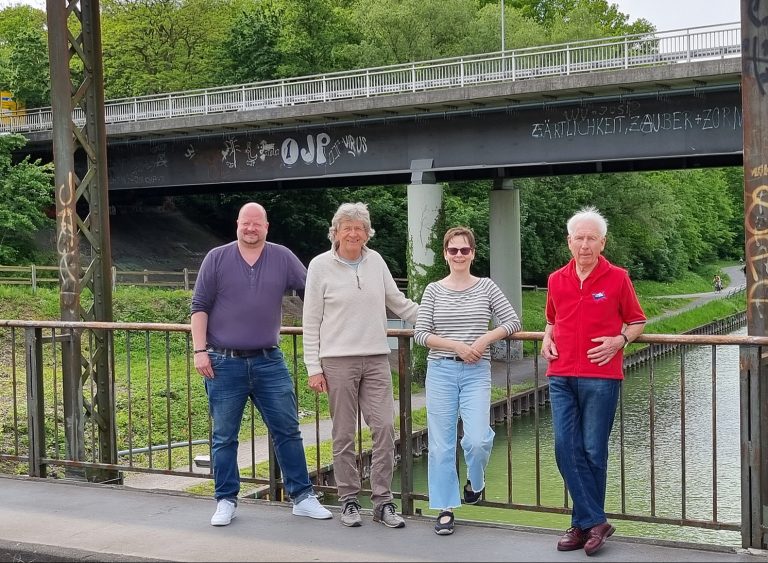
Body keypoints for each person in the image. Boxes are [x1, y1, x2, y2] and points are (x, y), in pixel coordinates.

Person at [191, 202, 332, 527]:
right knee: (224, 436)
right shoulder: (217, 258)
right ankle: (225, 500)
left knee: (287, 430)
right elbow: (199, 306)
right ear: (237, 225)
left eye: (257, 224)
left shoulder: (281, 257)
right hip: (223, 362)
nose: (251, 228)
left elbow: (310, 293)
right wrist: (200, 350)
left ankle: (303, 497)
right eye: (245, 223)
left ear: (266, 227)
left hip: (270, 360)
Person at [303, 202, 419, 529]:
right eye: (347, 227)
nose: (354, 233)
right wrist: (314, 366)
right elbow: (311, 321)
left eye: (360, 228)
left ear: (368, 232)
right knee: (342, 434)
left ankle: (383, 501)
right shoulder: (320, 266)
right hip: (337, 360)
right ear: (336, 232)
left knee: (384, 428)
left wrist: (436, 317)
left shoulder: (376, 261)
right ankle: (349, 500)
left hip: (376, 357)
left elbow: (398, 302)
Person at [541, 206, 646, 556]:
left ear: (602, 242)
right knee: (563, 446)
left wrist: (621, 341)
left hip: (601, 377)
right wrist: (546, 337)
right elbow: (552, 319)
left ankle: (582, 526)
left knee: (592, 451)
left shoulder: (618, 278)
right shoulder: (557, 279)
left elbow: (636, 321)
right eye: (579, 238)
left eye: (591, 239)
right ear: (569, 242)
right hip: (560, 376)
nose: (584, 245)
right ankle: (595, 521)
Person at [413, 226, 521, 536]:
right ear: (445, 254)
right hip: (442, 370)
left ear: (473, 253)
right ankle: (446, 508)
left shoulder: (486, 287)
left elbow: (512, 321)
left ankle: (476, 481)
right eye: (453, 250)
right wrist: (455, 345)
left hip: (476, 372)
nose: (458, 255)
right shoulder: (433, 289)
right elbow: (421, 334)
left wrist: (485, 338)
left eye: (464, 250)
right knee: (441, 444)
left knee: (476, 438)